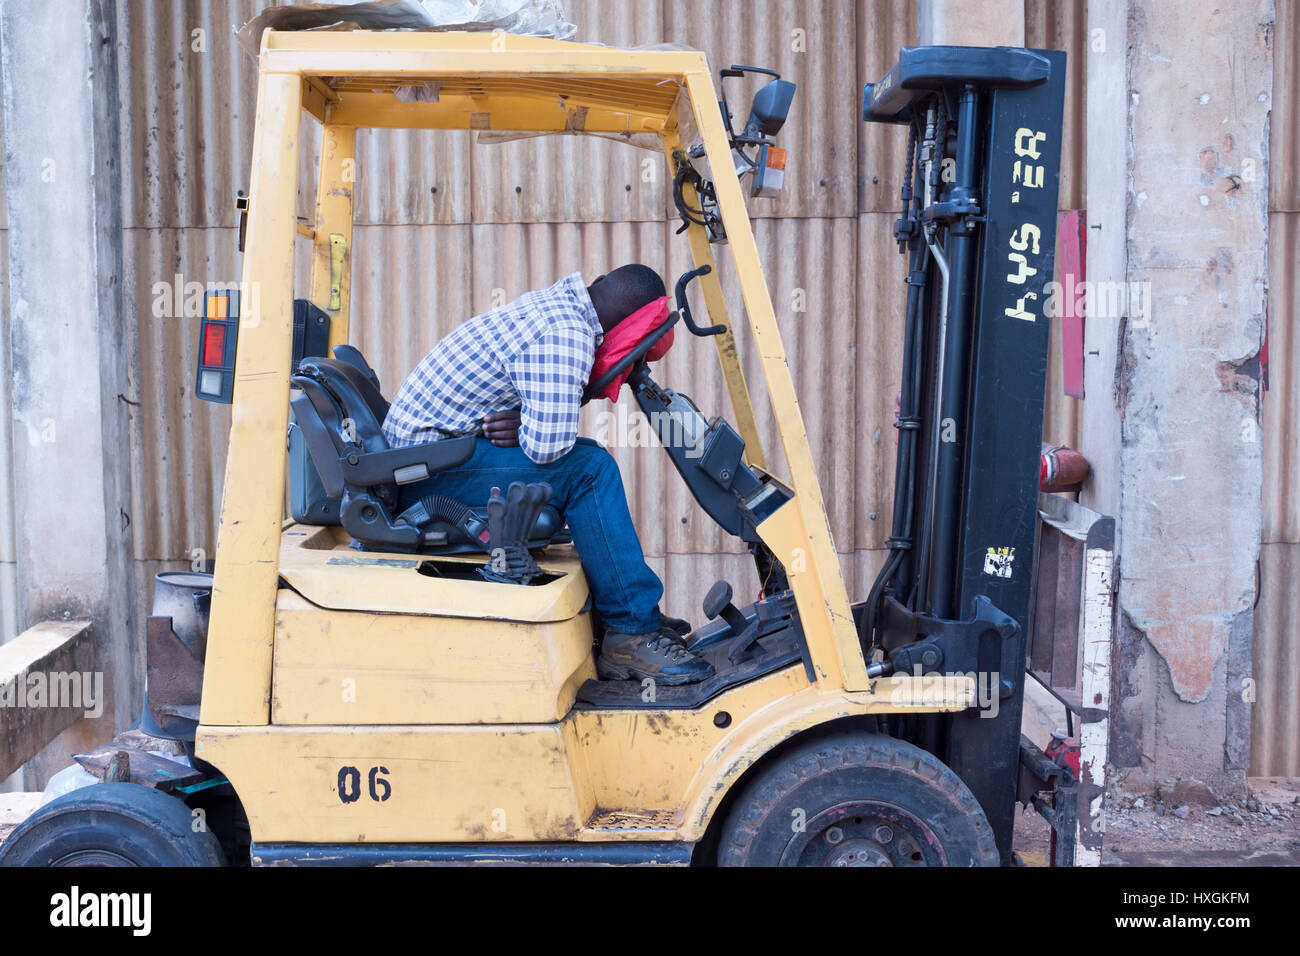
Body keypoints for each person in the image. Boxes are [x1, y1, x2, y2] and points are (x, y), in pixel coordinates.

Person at [382, 265, 714, 685]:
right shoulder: (566, 335)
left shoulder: (559, 308)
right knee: (591, 471)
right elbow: (546, 446)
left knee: (587, 456)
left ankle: (624, 605)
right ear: (630, 323)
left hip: (433, 454)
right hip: (425, 476)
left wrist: (524, 420)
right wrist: (529, 425)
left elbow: (543, 433)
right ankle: (630, 631)